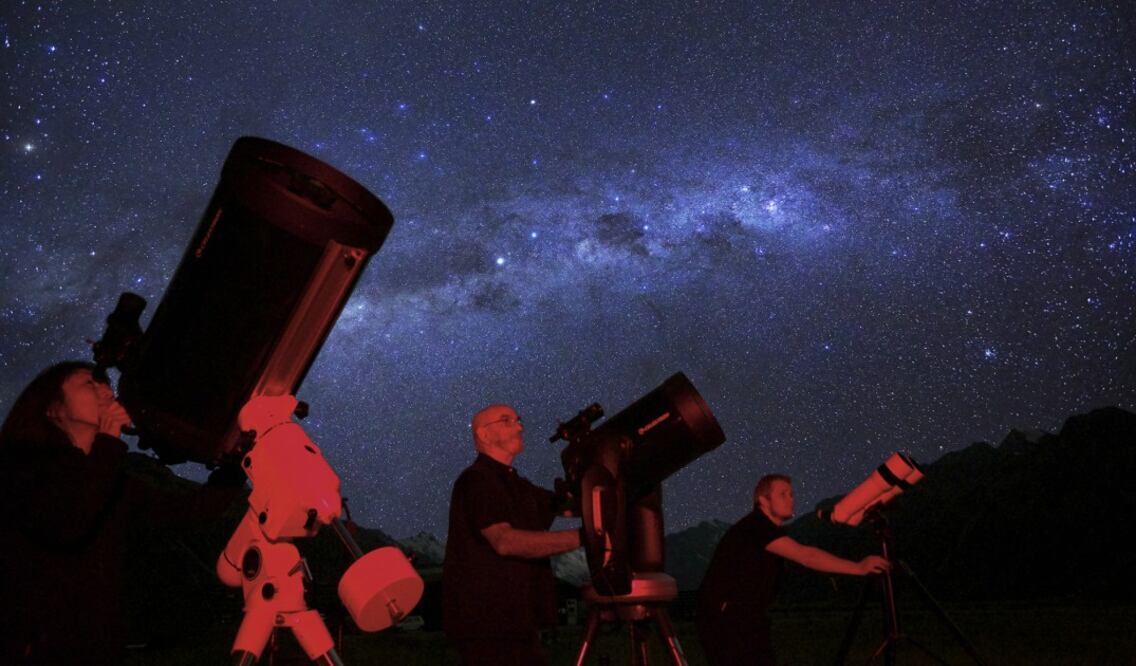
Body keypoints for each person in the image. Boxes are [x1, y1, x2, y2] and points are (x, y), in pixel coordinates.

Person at [0, 361, 245, 664]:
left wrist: (236, 464)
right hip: (40, 649)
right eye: (89, 384)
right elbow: (70, 522)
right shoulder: (27, 468)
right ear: (54, 409)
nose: (105, 390)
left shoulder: (109, 476)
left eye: (104, 383)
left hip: (99, 647)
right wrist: (108, 441)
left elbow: (186, 513)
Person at [697, 474, 890, 666]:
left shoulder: (767, 530)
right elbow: (806, 556)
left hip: (747, 620)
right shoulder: (756, 525)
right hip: (726, 622)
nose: (791, 499)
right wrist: (858, 567)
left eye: (791, 494)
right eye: (783, 494)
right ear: (763, 501)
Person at [442, 403, 582, 665]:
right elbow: (504, 541)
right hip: (488, 628)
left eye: (518, 420)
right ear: (483, 434)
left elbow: (568, 507)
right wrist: (586, 537)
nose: (519, 426)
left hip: (520, 625)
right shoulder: (476, 481)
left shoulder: (520, 487)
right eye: (506, 421)